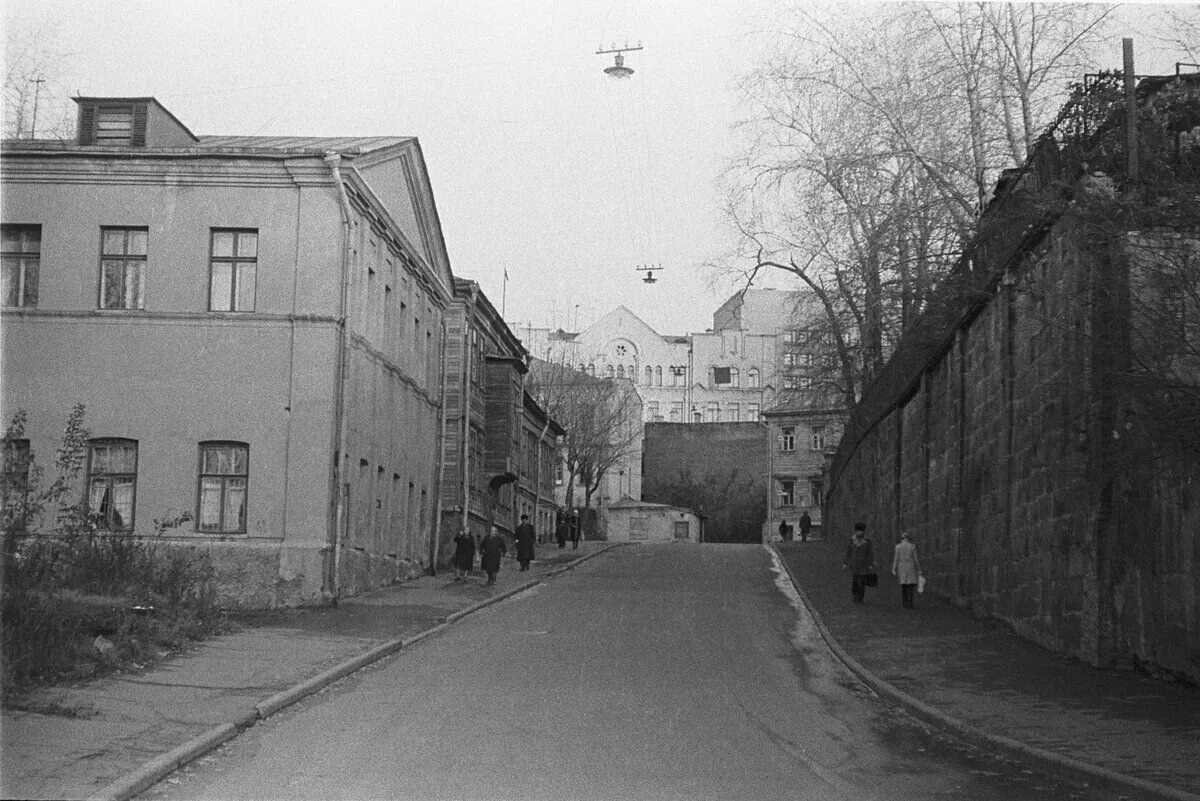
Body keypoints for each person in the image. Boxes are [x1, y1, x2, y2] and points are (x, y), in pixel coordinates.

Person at [843, 522, 876, 604]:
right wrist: (845, 563)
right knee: (855, 581)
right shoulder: (851, 540)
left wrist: (871, 564)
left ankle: (860, 598)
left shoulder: (867, 541)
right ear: (855, 531)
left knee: (862, 582)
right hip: (854, 564)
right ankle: (854, 595)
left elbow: (870, 553)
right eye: (858, 530)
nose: (860, 532)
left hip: (864, 564)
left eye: (861, 531)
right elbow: (848, 551)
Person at [892, 531, 923, 609]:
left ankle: (904, 602)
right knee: (910, 584)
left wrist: (894, 568)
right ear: (907, 538)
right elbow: (916, 559)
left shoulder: (898, 547)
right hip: (910, 566)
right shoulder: (912, 546)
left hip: (902, 566)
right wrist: (919, 568)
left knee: (904, 584)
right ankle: (910, 602)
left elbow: (896, 559)